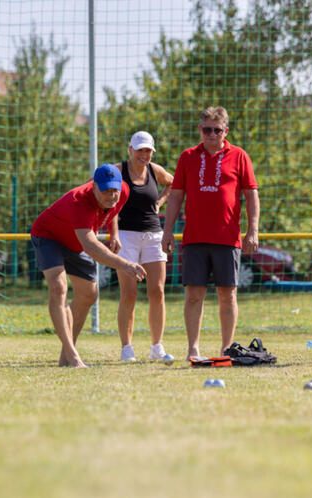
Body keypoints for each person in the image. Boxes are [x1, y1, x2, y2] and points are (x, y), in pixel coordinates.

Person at [161, 106, 260, 359]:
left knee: (228, 295)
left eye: (217, 130)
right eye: (207, 129)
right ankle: (193, 348)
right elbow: (176, 197)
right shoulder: (188, 156)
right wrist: (168, 230)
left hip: (228, 238)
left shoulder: (239, 156)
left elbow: (251, 194)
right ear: (200, 130)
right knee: (194, 296)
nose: (212, 134)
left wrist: (253, 231)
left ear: (226, 130)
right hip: (194, 238)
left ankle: (226, 349)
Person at [31, 164, 147, 368]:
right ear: (93, 186)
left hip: (75, 241)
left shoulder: (123, 192)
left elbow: (113, 211)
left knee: (88, 295)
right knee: (59, 288)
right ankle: (72, 355)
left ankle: (66, 355)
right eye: (105, 191)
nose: (111, 196)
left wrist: (115, 233)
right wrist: (124, 264)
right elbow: (90, 245)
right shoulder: (79, 201)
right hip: (49, 236)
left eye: (114, 190)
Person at [113, 131, 174, 361]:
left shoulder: (154, 170)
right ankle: (126, 349)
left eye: (148, 150)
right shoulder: (117, 171)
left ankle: (157, 347)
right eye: (139, 149)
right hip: (125, 236)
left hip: (153, 236)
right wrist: (112, 231)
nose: (144, 154)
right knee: (129, 293)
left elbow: (173, 184)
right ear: (130, 149)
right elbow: (94, 186)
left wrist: (160, 201)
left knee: (157, 291)